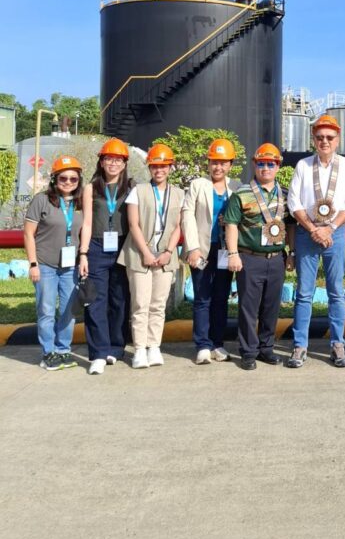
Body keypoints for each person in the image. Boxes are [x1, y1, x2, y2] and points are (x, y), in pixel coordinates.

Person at [286, 114, 345, 368]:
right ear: (313, 140)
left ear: (337, 139)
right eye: (319, 137)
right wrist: (313, 229)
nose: (324, 141)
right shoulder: (303, 166)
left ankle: (338, 344)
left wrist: (329, 229)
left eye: (329, 137)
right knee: (304, 293)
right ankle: (299, 346)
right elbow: (294, 202)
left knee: (336, 292)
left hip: (335, 234)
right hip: (307, 233)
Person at [224, 143, 294, 370]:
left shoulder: (286, 195)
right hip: (249, 258)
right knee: (248, 307)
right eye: (261, 164)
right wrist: (233, 254)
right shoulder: (242, 194)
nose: (265, 168)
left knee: (271, 307)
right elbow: (231, 225)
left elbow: (291, 226)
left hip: (277, 258)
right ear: (255, 165)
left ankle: (266, 348)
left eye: (270, 164)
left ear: (278, 166)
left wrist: (291, 253)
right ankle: (248, 352)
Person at [118, 143, 184, 369]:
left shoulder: (179, 194)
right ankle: (139, 349)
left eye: (164, 166)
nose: (159, 170)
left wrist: (168, 252)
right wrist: (146, 253)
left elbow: (178, 226)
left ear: (170, 167)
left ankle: (154, 346)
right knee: (140, 303)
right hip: (139, 255)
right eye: (155, 166)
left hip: (165, 256)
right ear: (149, 168)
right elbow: (133, 224)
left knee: (158, 304)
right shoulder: (139, 191)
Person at [181, 138, 240, 365]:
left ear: (230, 164)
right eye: (214, 162)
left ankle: (217, 343)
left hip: (226, 250)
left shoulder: (236, 187)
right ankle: (203, 345)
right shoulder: (198, 185)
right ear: (208, 163)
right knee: (202, 297)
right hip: (202, 249)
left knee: (221, 297)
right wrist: (192, 248)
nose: (218, 167)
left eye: (223, 163)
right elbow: (187, 215)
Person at [78, 138, 133, 375]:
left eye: (118, 160)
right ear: (101, 162)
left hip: (123, 246)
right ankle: (98, 353)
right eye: (109, 159)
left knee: (120, 300)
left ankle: (116, 347)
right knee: (95, 301)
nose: (113, 163)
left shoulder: (131, 187)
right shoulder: (91, 188)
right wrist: (83, 254)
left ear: (124, 164)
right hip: (97, 247)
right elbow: (87, 223)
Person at [23, 155, 84, 371]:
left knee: (68, 311)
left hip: (70, 267)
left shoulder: (81, 202)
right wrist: (33, 264)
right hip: (45, 265)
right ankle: (48, 352)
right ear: (54, 179)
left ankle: (63, 349)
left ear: (79, 180)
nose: (68, 182)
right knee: (46, 310)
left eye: (73, 179)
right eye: (63, 178)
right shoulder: (41, 200)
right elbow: (28, 234)